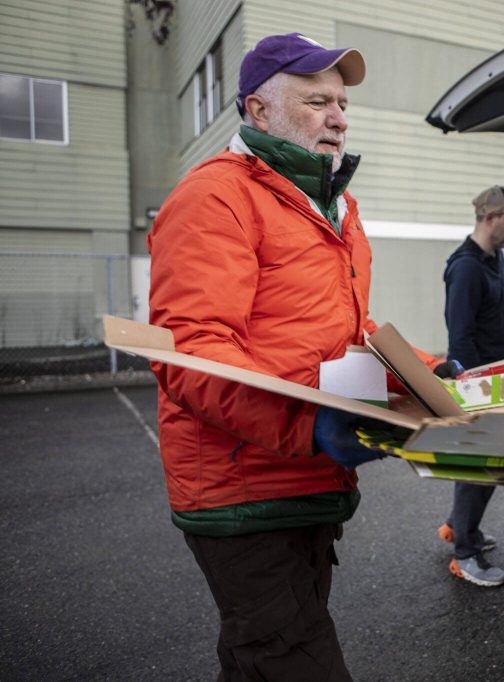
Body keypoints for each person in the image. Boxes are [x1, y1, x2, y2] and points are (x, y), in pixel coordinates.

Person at [147, 33, 441, 681]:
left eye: (342, 102)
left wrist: (430, 374)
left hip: (309, 486)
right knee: (293, 662)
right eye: (317, 100)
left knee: (261, 661)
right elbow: (192, 354)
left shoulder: (335, 207)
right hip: (244, 491)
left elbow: (348, 330)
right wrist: (309, 425)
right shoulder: (215, 198)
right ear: (258, 110)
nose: (339, 116)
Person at [436, 186, 504, 587]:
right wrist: (471, 388)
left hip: (498, 375)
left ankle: (457, 527)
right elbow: (459, 336)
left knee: (490, 462)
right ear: (492, 217)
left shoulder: (496, 260)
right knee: (479, 463)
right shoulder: (464, 268)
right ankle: (465, 554)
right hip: (475, 380)